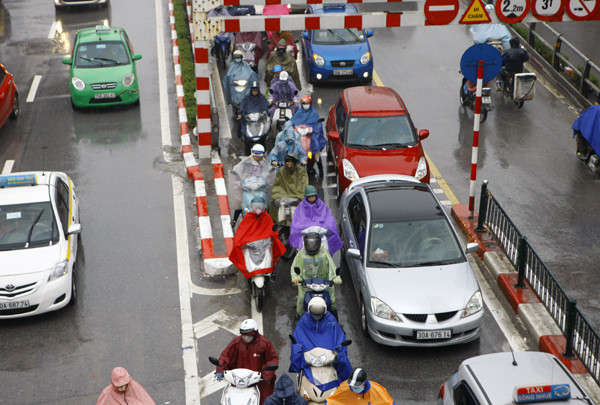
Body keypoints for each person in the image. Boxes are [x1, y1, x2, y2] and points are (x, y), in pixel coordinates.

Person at [289, 297, 352, 388]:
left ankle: (347, 386)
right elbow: (297, 338)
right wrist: (298, 352)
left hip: (328, 358)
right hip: (309, 358)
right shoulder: (304, 321)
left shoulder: (331, 321)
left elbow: (339, 337)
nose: (316, 317)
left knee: (343, 362)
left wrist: (338, 351)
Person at [215, 319, 280, 405]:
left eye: (249, 335)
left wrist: (266, 375)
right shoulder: (236, 342)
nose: (246, 338)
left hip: (259, 381)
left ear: (255, 333)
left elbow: (272, 359)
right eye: (244, 335)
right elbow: (225, 356)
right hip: (238, 380)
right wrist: (220, 369)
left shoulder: (264, 344)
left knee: (265, 401)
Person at [229, 196, 286, 280]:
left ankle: (272, 271)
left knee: (273, 252)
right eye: (256, 207)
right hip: (251, 246)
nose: (258, 210)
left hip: (264, 245)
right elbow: (241, 232)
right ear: (252, 207)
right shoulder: (248, 217)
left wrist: (274, 235)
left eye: (260, 207)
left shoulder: (266, 217)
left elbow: (271, 230)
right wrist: (239, 242)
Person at [291, 233, 341, 318]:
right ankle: (299, 318)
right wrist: (296, 278)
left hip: (323, 284)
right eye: (309, 244)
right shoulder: (301, 254)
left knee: (332, 301)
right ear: (305, 243)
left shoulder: (324, 252)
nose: (311, 246)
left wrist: (335, 278)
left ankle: (335, 320)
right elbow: (294, 266)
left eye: (313, 245)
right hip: (306, 285)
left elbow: (331, 266)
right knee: (301, 301)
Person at [229, 144, 276, 227]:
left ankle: (270, 220)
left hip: (260, 188)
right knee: (240, 201)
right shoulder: (246, 163)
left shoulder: (265, 164)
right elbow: (238, 170)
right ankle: (234, 219)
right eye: (256, 155)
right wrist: (238, 180)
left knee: (268, 203)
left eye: (259, 155)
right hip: (248, 187)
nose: (258, 157)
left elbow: (268, 173)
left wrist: (268, 180)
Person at [289, 185, 343, 255]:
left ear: (316, 196)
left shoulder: (321, 205)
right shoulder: (301, 207)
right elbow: (296, 221)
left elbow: (329, 218)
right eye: (310, 197)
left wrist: (328, 227)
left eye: (313, 196)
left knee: (333, 233)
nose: (311, 198)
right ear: (306, 197)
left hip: (320, 232)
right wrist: (299, 228)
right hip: (306, 234)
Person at [290, 95, 327, 177]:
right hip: (301, 138)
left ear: (310, 104)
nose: (305, 105)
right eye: (304, 104)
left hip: (312, 138)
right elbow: (293, 122)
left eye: (307, 104)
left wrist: (313, 131)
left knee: (316, 154)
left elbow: (318, 126)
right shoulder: (299, 113)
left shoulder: (314, 114)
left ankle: (321, 171)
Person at [269, 154, 309, 223]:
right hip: (283, 193)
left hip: (297, 194)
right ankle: (281, 223)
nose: (289, 166)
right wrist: (277, 195)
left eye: (291, 165)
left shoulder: (301, 171)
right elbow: (277, 185)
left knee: (293, 204)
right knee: (281, 203)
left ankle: (294, 223)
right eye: (287, 164)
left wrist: (299, 195)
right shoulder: (281, 170)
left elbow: (304, 185)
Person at [324, 368, 396, 404]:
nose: (354, 388)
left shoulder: (377, 391)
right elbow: (332, 401)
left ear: (364, 384)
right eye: (352, 385)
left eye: (357, 386)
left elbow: (389, 403)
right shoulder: (344, 387)